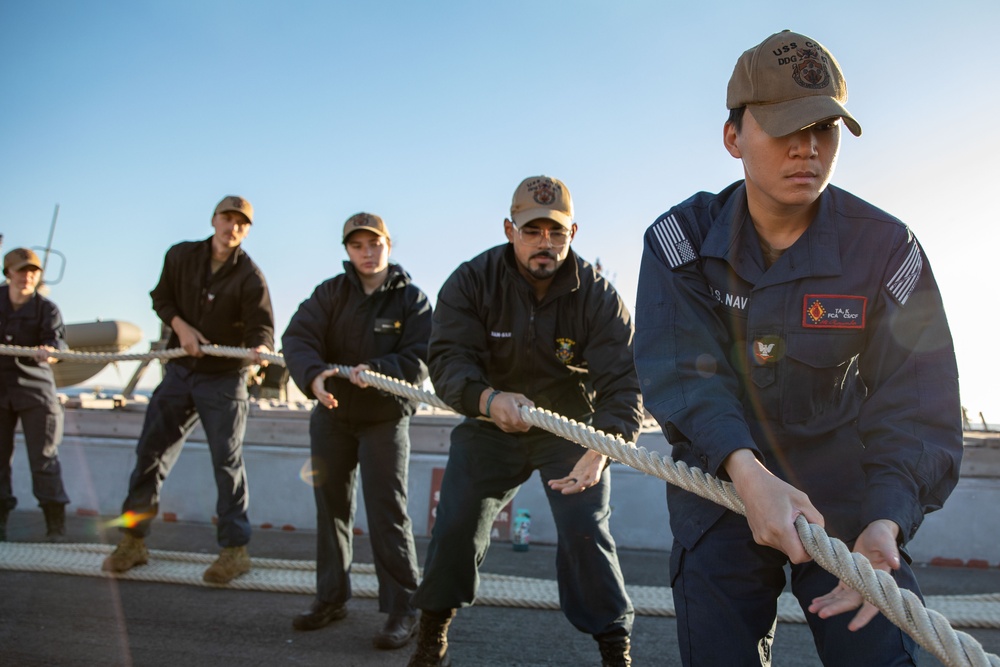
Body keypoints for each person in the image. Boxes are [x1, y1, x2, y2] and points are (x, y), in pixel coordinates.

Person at [633, 30, 962, 666]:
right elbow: (683, 375)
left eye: (824, 128)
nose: (807, 147)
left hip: (845, 492)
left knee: (882, 655)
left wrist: (886, 522)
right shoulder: (680, 241)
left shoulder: (887, 250)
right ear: (733, 137)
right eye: (785, 126)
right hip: (722, 480)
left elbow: (917, 403)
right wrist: (747, 472)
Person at [408, 176, 644, 667]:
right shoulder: (472, 281)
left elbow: (624, 383)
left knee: (586, 529)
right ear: (509, 230)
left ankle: (614, 647)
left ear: (572, 232)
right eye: (532, 230)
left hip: (568, 429)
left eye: (556, 232)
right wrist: (487, 399)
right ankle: (433, 628)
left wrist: (601, 450)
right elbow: (447, 360)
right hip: (490, 420)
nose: (545, 242)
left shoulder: (598, 295)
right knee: (456, 522)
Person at [102, 195, 274, 584]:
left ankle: (235, 551)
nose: (233, 227)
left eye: (241, 223)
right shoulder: (180, 256)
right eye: (227, 218)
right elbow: (160, 298)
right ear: (214, 220)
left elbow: (262, 327)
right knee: (150, 454)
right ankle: (133, 542)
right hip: (179, 371)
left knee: (227, 463)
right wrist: (181, 328)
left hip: (224, 378)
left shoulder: (251, 276)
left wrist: (261, 349)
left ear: (247, 231)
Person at [281, 213, 432, 650]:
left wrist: (379, 370)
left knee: (387, 511)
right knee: (331, 509)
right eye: (358, 245)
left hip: (384, 419)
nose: (367, 253)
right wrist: (312, 376)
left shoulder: (412, 300)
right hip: (332, 415)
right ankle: (331, 598)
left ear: (389, 244)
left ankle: (404, 609)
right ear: (347, 250)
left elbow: (424, 355)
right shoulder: (329, 293)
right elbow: (298, 338)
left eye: (375, 243)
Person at [0, 248, 70, 542]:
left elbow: (57, 343)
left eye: (33, 271)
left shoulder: (47, 310)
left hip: (35, 392)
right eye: (21, 270)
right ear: (8, 273)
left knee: (44, 459)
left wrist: (49, 352)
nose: (27, 276)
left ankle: (55, 528)